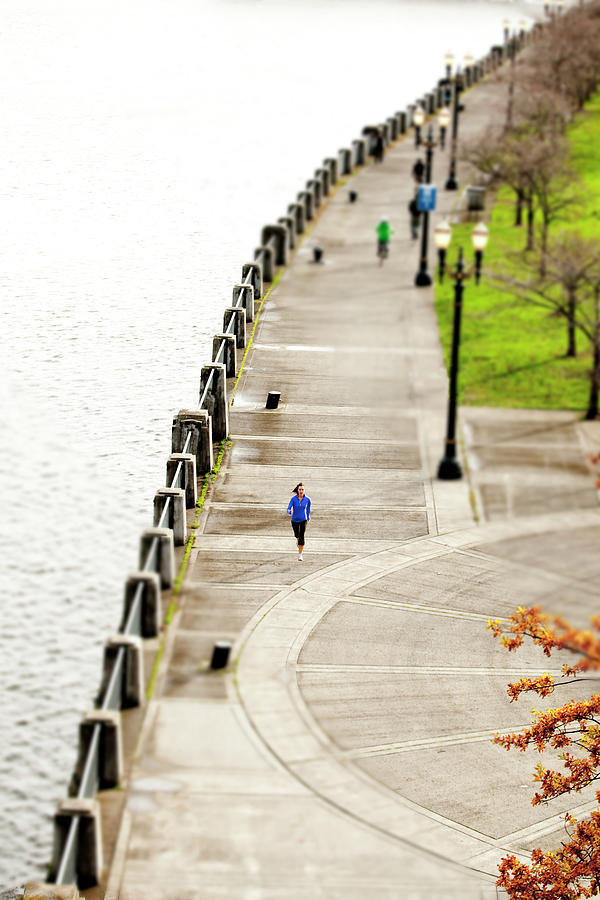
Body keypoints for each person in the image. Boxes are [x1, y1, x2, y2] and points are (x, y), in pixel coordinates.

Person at [287, 482, 311, 561]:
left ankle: (300, 554)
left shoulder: (307, 499)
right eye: (300, 489)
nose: (301, 491)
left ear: (304, 490)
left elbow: (308, 509)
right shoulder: (293, 499)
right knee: (297, 535)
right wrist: (290, 511)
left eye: (302, 489)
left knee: (301, 536)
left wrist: (308, 516)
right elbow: (289, 508)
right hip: (294, 520)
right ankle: (298, 540)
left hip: (303, 520)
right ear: (298, 490)